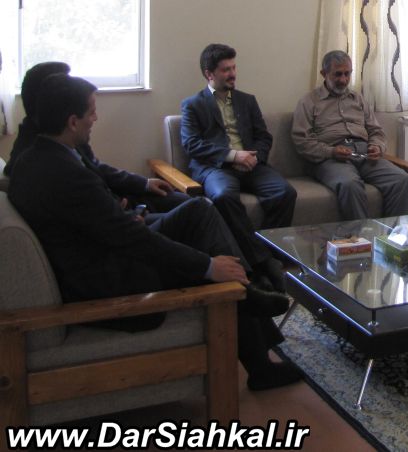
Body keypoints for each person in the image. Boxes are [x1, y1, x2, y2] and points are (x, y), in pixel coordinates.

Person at [9, 74, 301, 390]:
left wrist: (128, 214)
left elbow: (97, 222)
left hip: (103, 254)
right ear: (72, 121)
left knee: (199, 210)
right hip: (111, 281)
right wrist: (208, 266)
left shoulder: (35, 158)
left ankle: (248, 295)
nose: (96, 118)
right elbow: (131, 239)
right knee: (209, 250)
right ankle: (251, 318)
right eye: (91, 111)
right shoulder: (66, 174)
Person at [5, 62, 188, 216]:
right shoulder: (31, 154)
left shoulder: (65, 131)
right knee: (193, 212)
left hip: (119, 199)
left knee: (186, 202)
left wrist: (144, 183)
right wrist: (113, 206)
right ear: (47, 96)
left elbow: (95, 166)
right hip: (114, 215)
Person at [181, 43, 296, 288]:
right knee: (223, 196)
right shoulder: (193, 105)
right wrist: (233, 156)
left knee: (285, 192)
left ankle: (265, 254)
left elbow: (263, 136)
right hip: (217, 168)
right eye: (225, 70)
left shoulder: (247, 100)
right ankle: (263, 263)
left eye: (233, 68)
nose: (232, 74)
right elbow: (192, 144)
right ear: (209, 74)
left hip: (252, 165)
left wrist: (254, 157)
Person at [292, 50, 408, 220]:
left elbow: (376, 131)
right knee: (350, 184)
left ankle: (393, 234)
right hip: (330, 157)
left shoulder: (358, 99)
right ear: (324, 74)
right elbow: (302, 141)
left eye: (347, 74)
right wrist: (331, 152)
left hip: (364, 152)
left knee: (401, 179)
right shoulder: (309, 102)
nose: (343, 80)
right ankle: (363, 235)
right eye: (338, 74)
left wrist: (377, 146)